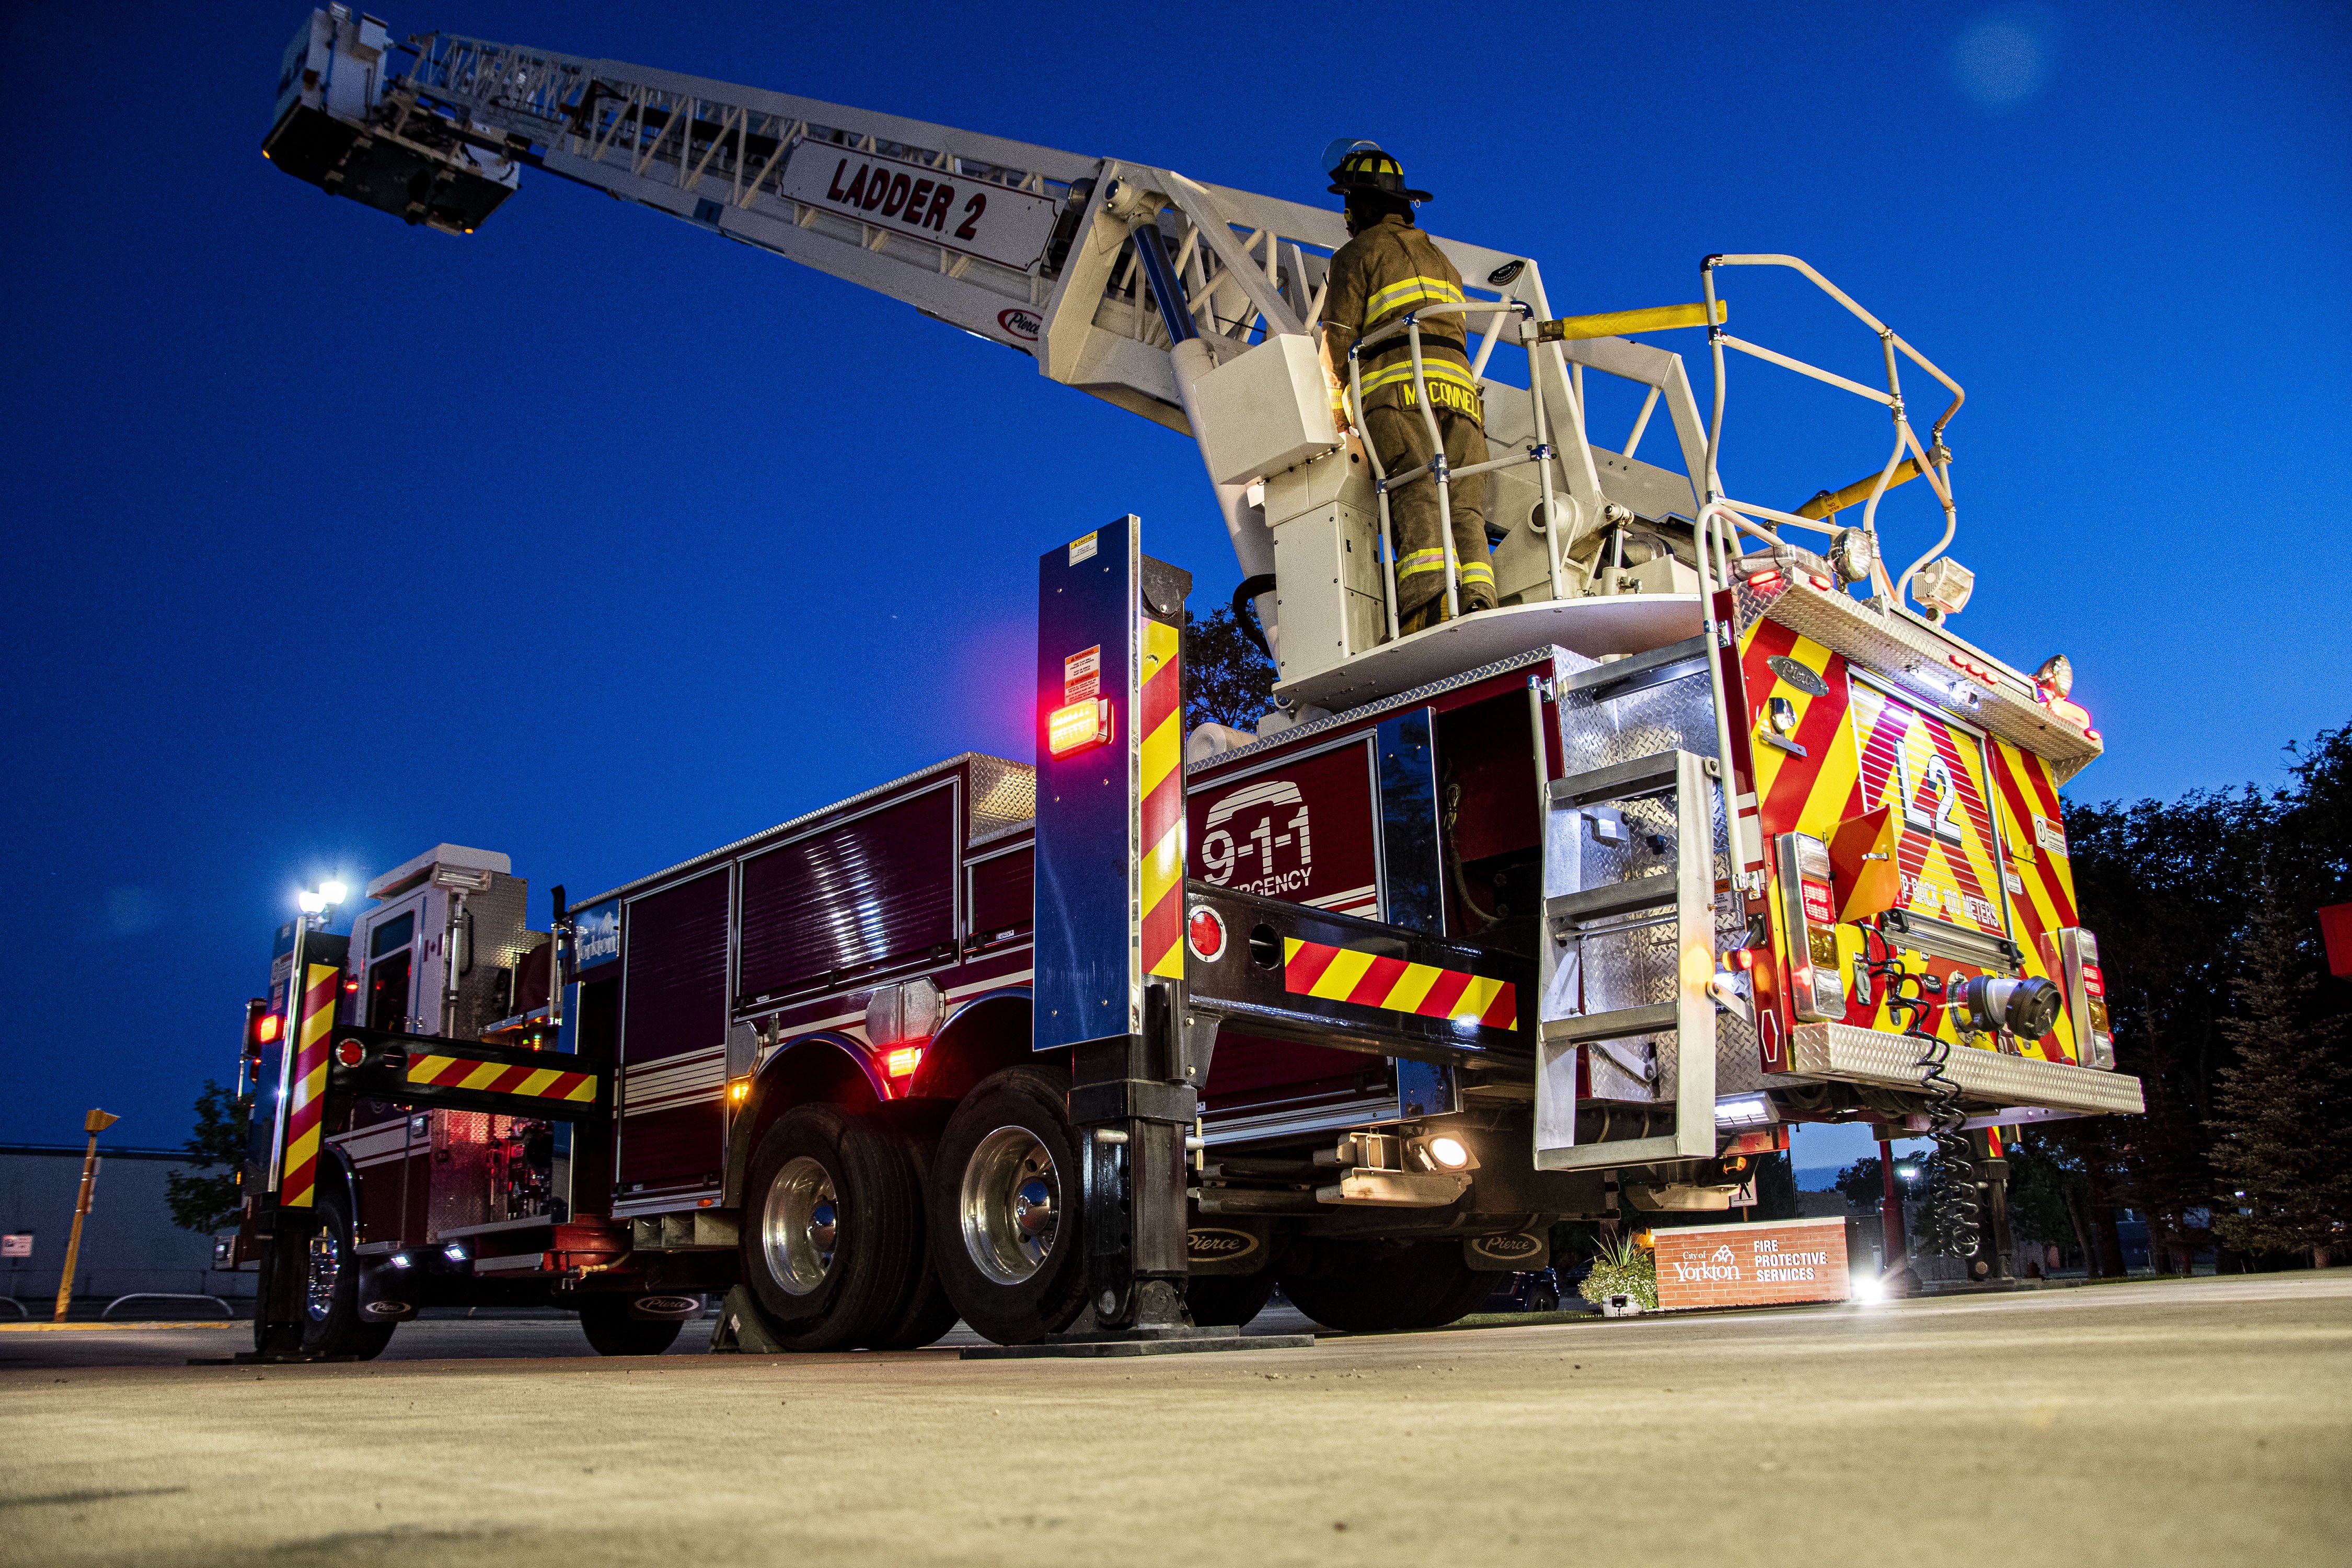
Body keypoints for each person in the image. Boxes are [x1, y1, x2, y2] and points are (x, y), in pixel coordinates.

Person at [1316, 141, 1492, 634]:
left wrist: (1337, 409)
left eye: (1349, 203)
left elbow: (1341, 339)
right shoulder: (1443, 261)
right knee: (1464, 506)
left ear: (1364, 204)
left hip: (1398, 397)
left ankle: (1425, 609)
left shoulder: (1357, 254)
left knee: (1414, 491)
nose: (1346, 215)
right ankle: (1478, 595)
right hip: (1462, 399)